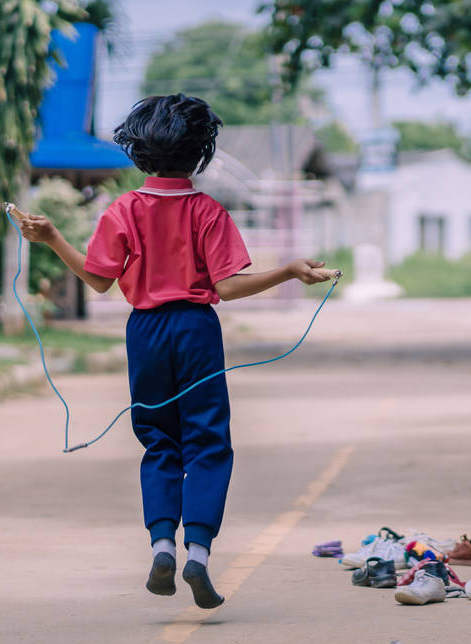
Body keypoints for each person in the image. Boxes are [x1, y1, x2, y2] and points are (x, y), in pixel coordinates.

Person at [18, 94, 332, 609]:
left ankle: (161, 545)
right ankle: (198, 555)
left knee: (159, 441)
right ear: (200, 153)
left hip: (144, 332)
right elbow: (228, 287)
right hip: (195, 329)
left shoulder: (123, 209)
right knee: (208, 443)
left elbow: (97, 280)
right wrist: (288, 270)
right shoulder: (207, 211)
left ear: (138, 152)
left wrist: (52, 236)